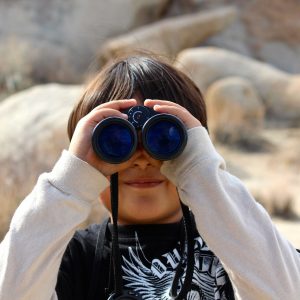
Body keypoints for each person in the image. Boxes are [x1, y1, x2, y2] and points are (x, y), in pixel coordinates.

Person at [0, 54, 299, 300]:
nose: (142, 160)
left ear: (196, 146)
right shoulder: (73, 256)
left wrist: (204, 175)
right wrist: (71, 182)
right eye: (117, 142)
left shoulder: (236, 244)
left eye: (166, 139)